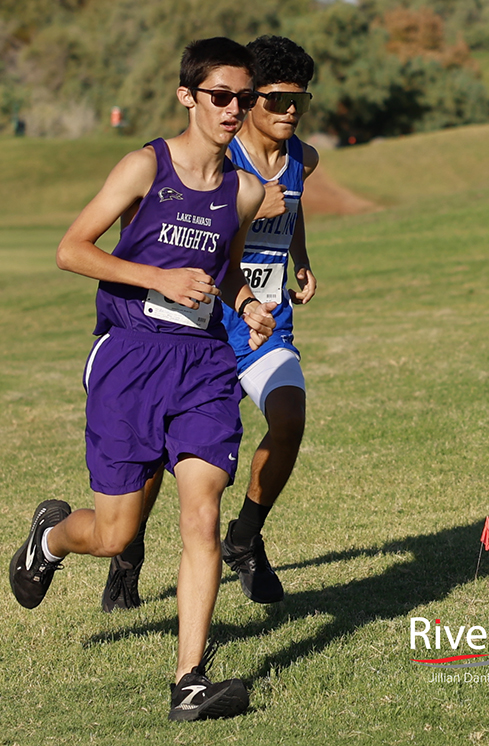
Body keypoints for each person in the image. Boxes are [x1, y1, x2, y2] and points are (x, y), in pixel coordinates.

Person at [8, 37, 276, 722]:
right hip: (129, 357)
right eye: (220, 96)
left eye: (244, 99)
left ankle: (189, 681)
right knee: (117, 536)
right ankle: (51, 536)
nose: (233, 109)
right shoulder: (143, 166)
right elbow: (71, 249)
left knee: (201, 516)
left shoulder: (243, 189)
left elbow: (224, 269)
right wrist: (155, 276)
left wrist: (244, 306)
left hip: (203, 366)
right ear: (188, 95)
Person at [102, 35, 319, 611]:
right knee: (157, 456)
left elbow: (291, 210)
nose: (288, 111)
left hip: (265, 321)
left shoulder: (303, 158)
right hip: (201, 328)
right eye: (272, 100)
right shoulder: (223, 163)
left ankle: (245, 537)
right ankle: (127, 553)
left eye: (301, 100)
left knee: (289, 417)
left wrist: (301, 259)